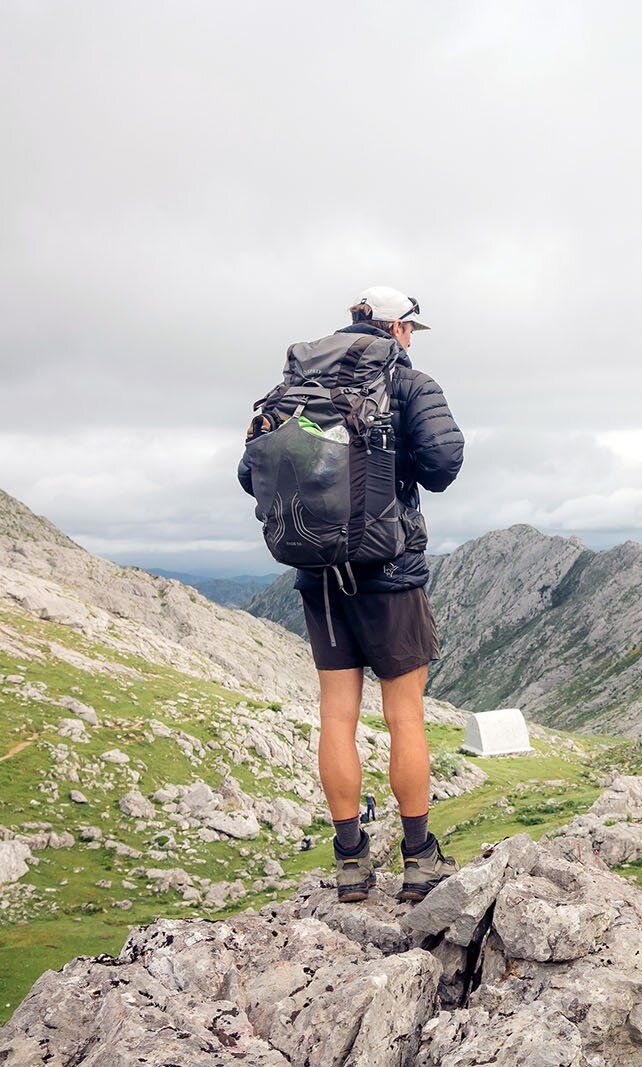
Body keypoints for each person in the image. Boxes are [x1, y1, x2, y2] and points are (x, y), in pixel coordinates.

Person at [238, 286, 465, 904]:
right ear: (395, 327)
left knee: (336, 716)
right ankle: (418, 859)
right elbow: (444, 467)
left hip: (320, 575)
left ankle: (350, 865)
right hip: (389, 572)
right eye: (412, 329)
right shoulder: (409, 383)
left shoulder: (298, 384)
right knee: (405, 715)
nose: (412, 339)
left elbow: (248, 471)